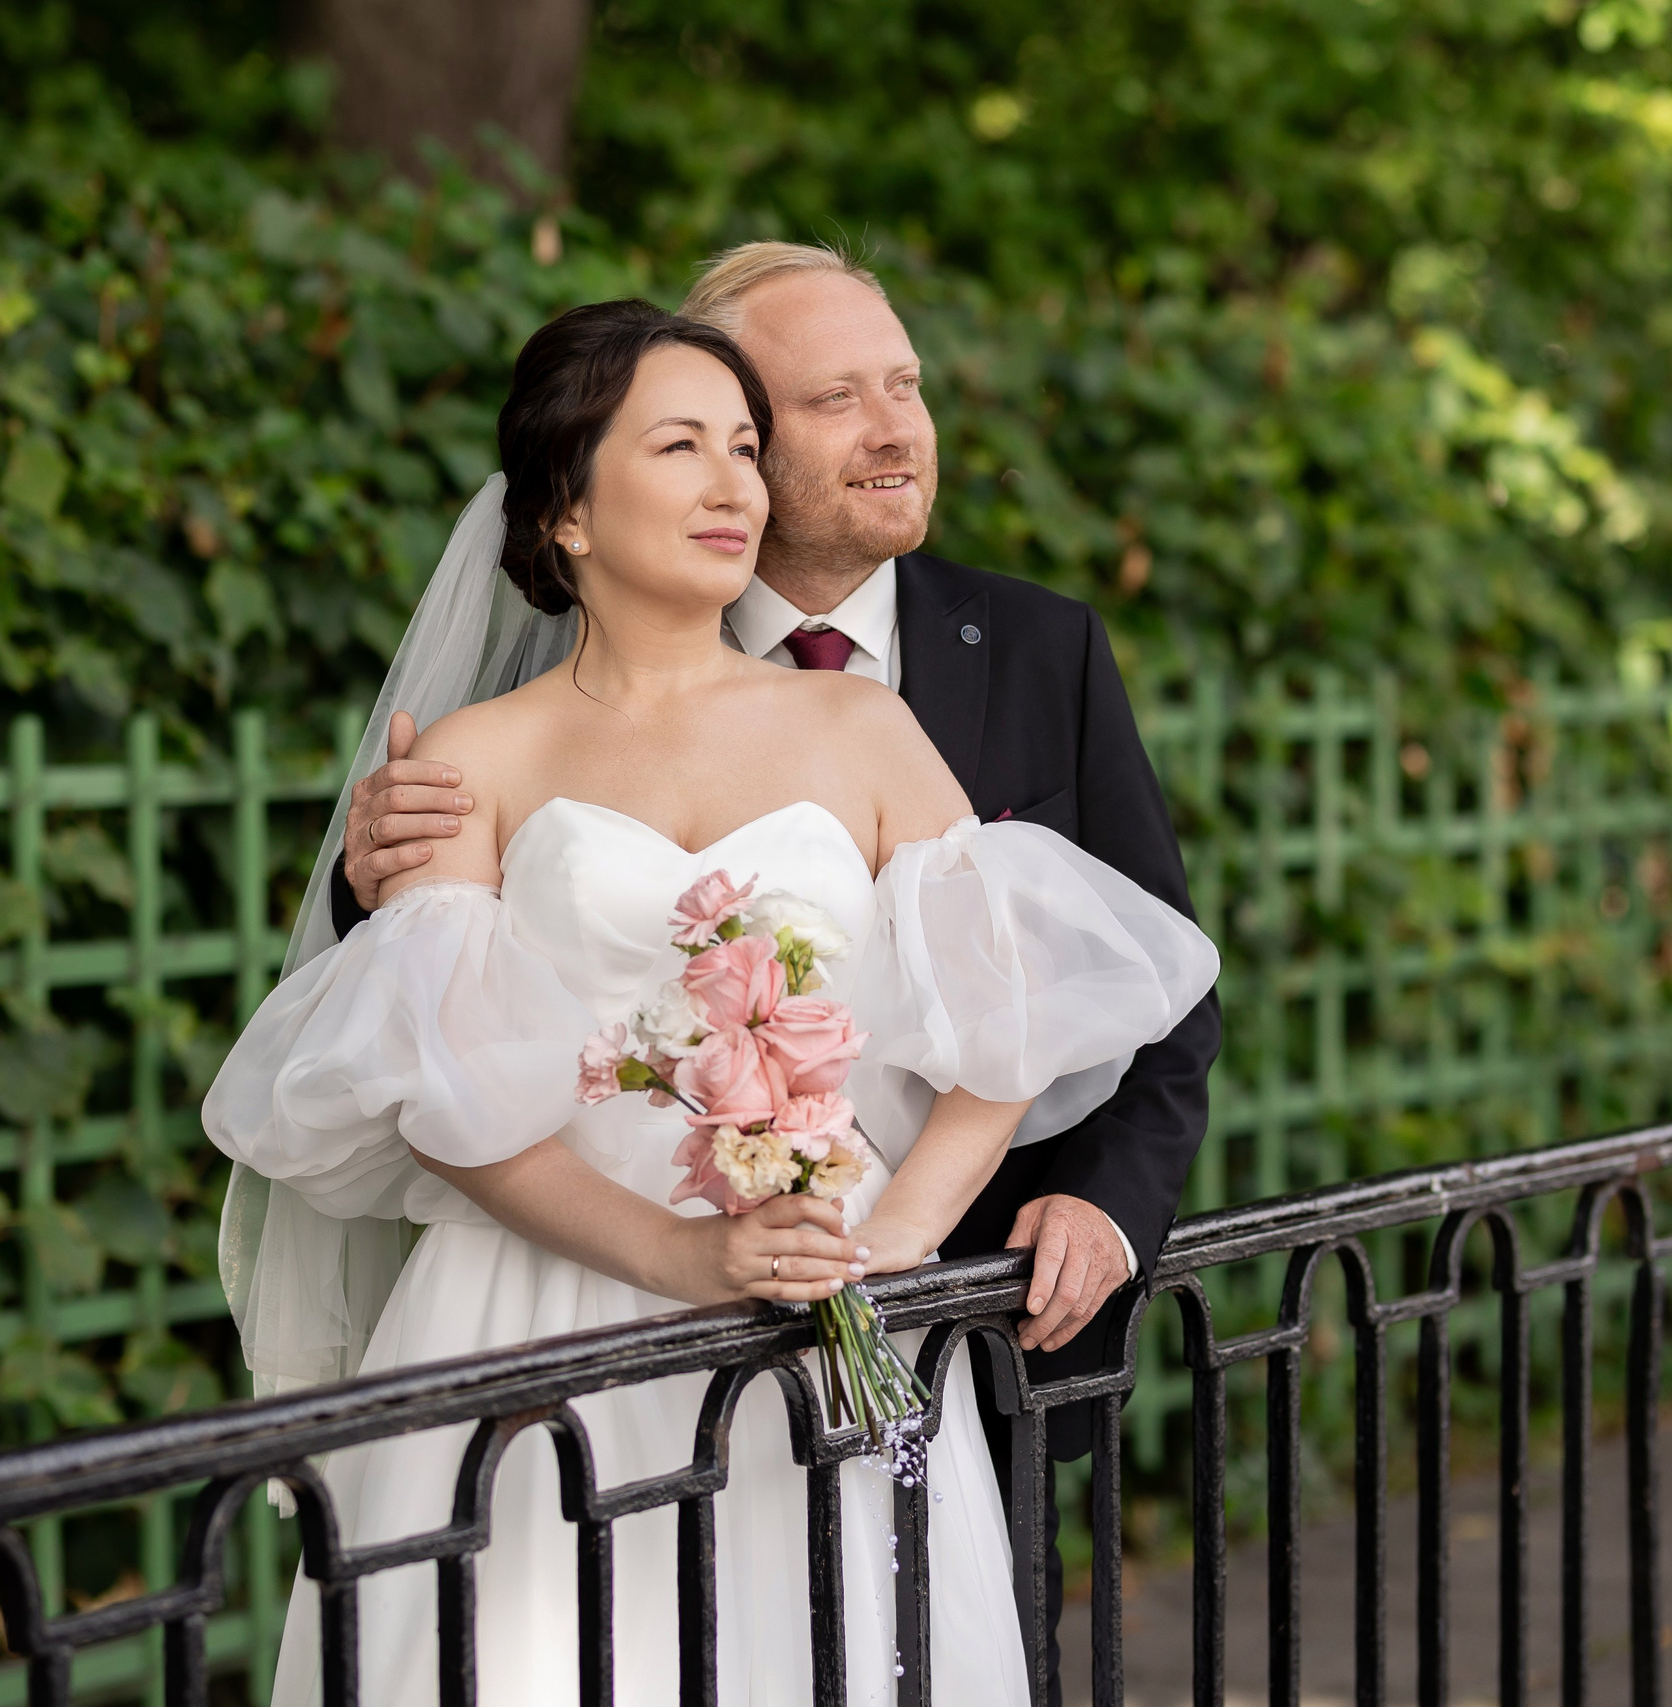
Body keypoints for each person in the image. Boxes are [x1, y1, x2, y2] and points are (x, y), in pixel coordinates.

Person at [205, 299, 1217, 1704]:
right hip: (538, 1308)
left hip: (825, 1290)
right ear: (563, 510)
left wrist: (900, 1236)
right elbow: (440, 1094)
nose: (733, 482)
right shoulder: (473, 762)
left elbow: (1012, 1018)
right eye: (681, 446)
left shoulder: (861, 727)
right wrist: (680, 1267)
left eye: (745, 446)